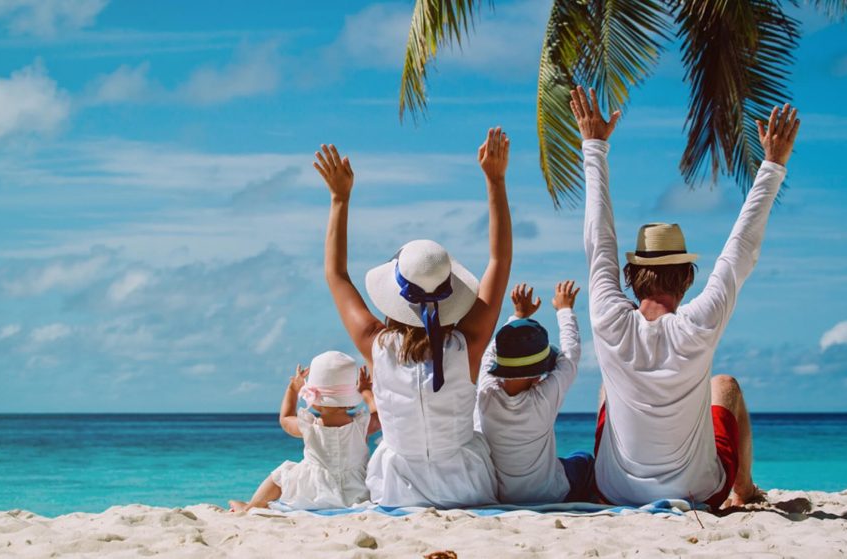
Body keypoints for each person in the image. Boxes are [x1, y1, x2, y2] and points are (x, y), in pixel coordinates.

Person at [571, 85, 800, 510]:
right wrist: (771, 166)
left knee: (609, 387)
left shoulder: (607, 315)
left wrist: (594, 146)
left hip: (612, 491)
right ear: (688, 277)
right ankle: (744, 489)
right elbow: (739, 252)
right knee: (725, 386)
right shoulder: (699, 323)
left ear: (630, 276)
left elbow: (598, 239)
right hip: (698, 492)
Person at [312, 128, 513, 508]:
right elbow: (499, 261)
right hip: (465, 486)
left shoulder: (377, 344)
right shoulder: (467, 345)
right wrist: (495, 181)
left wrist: (340, 199)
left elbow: (336, 274)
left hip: (397, 489)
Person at [474, 281, 594, 504]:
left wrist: (518, 316)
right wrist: (564, 309)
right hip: (550, 494)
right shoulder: (543, 399)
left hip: (501, 495)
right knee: (583, 460)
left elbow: (490, 355)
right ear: (539, 374)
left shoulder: (486, 393)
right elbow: (571, 355)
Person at [228, 351, 379, 512]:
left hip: (313, 490)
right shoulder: (362, 425)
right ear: (350, 401)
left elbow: (285, 419)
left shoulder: (309, 425)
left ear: (314, 401)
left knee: (283, 473)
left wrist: (293, 389)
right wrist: (366, 392)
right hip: (356, 490)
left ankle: (251, 506)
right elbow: (380, 415)